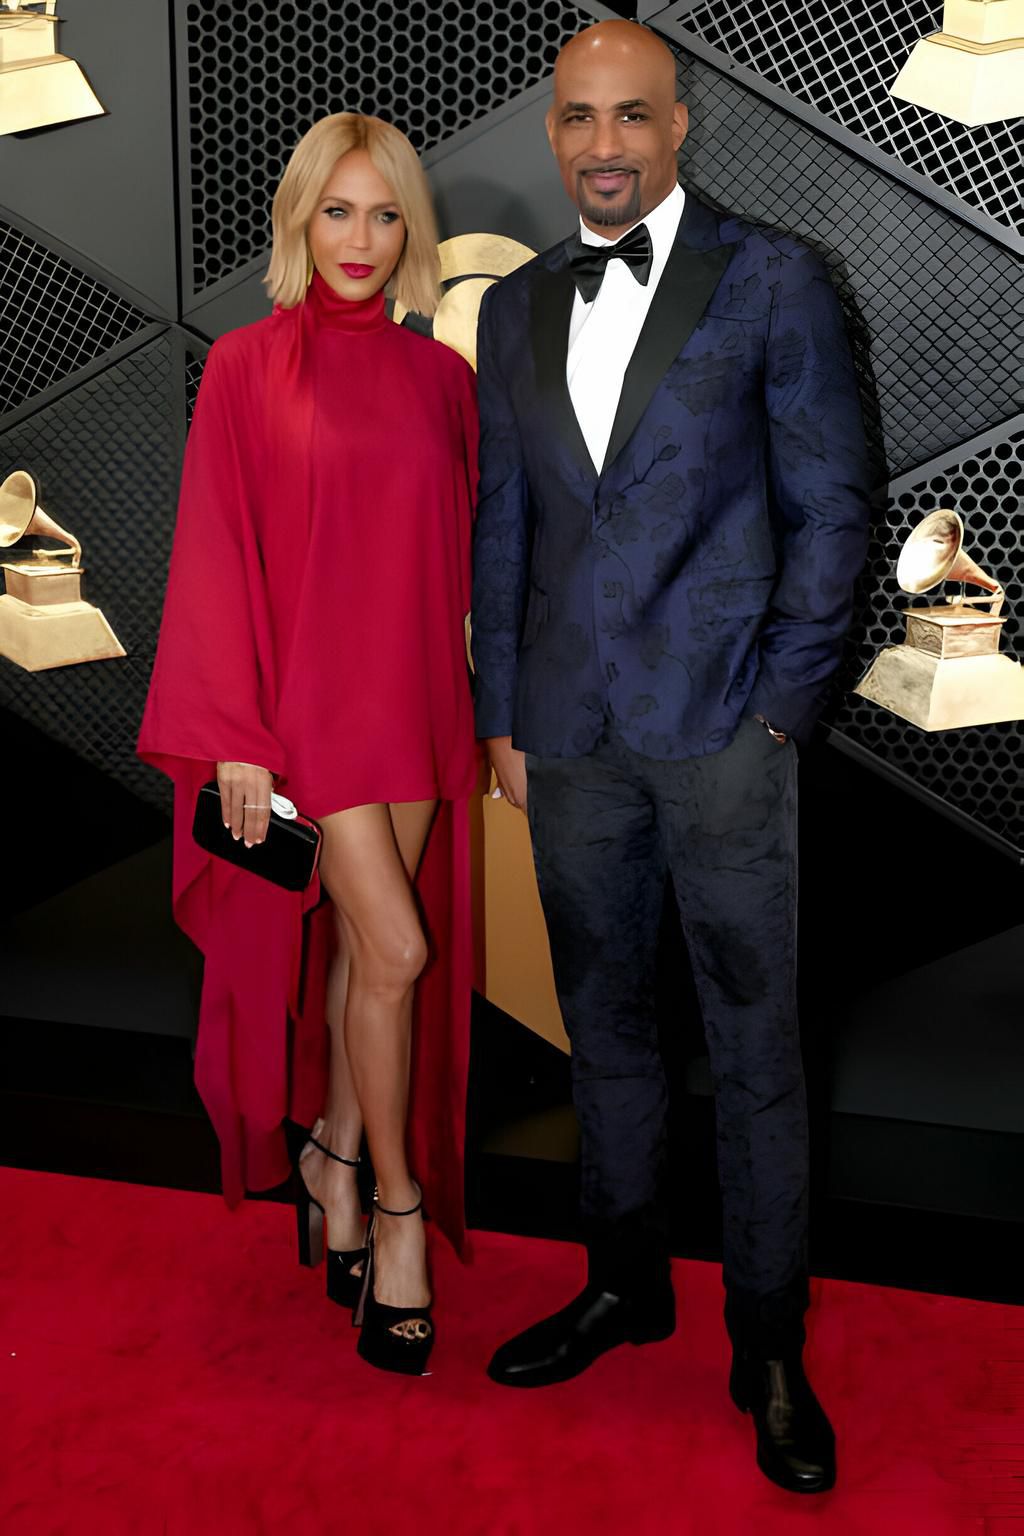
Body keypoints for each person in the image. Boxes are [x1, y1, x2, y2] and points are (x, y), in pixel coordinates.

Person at [472, 20, 870, 1490]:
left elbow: (834, 509)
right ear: (552, 131)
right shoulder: (514, 306)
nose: (605, 146)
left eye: (632, 116)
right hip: (568, 741)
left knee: (754, 1049)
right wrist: (503, 714)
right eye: (580, 118)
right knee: (606, 1030)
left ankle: (767, 1347)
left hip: (724, 739)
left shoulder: (774, 279)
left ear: (680, 123)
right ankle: (625, 1284)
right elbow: (505, 522)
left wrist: (779, 713)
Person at [139, 113, 479, 1376]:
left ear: (410, 230)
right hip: (305, 721)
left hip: (417, 707)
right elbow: (214, 545)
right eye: (337, 211)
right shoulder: (244, 365)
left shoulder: (443, 380)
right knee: (399, 949)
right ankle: (397, 1214)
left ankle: (332, 1158)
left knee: (361, 961)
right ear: (297, 220)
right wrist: (233, 732)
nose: (361, 238)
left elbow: (467, 558)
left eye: (385, 214)